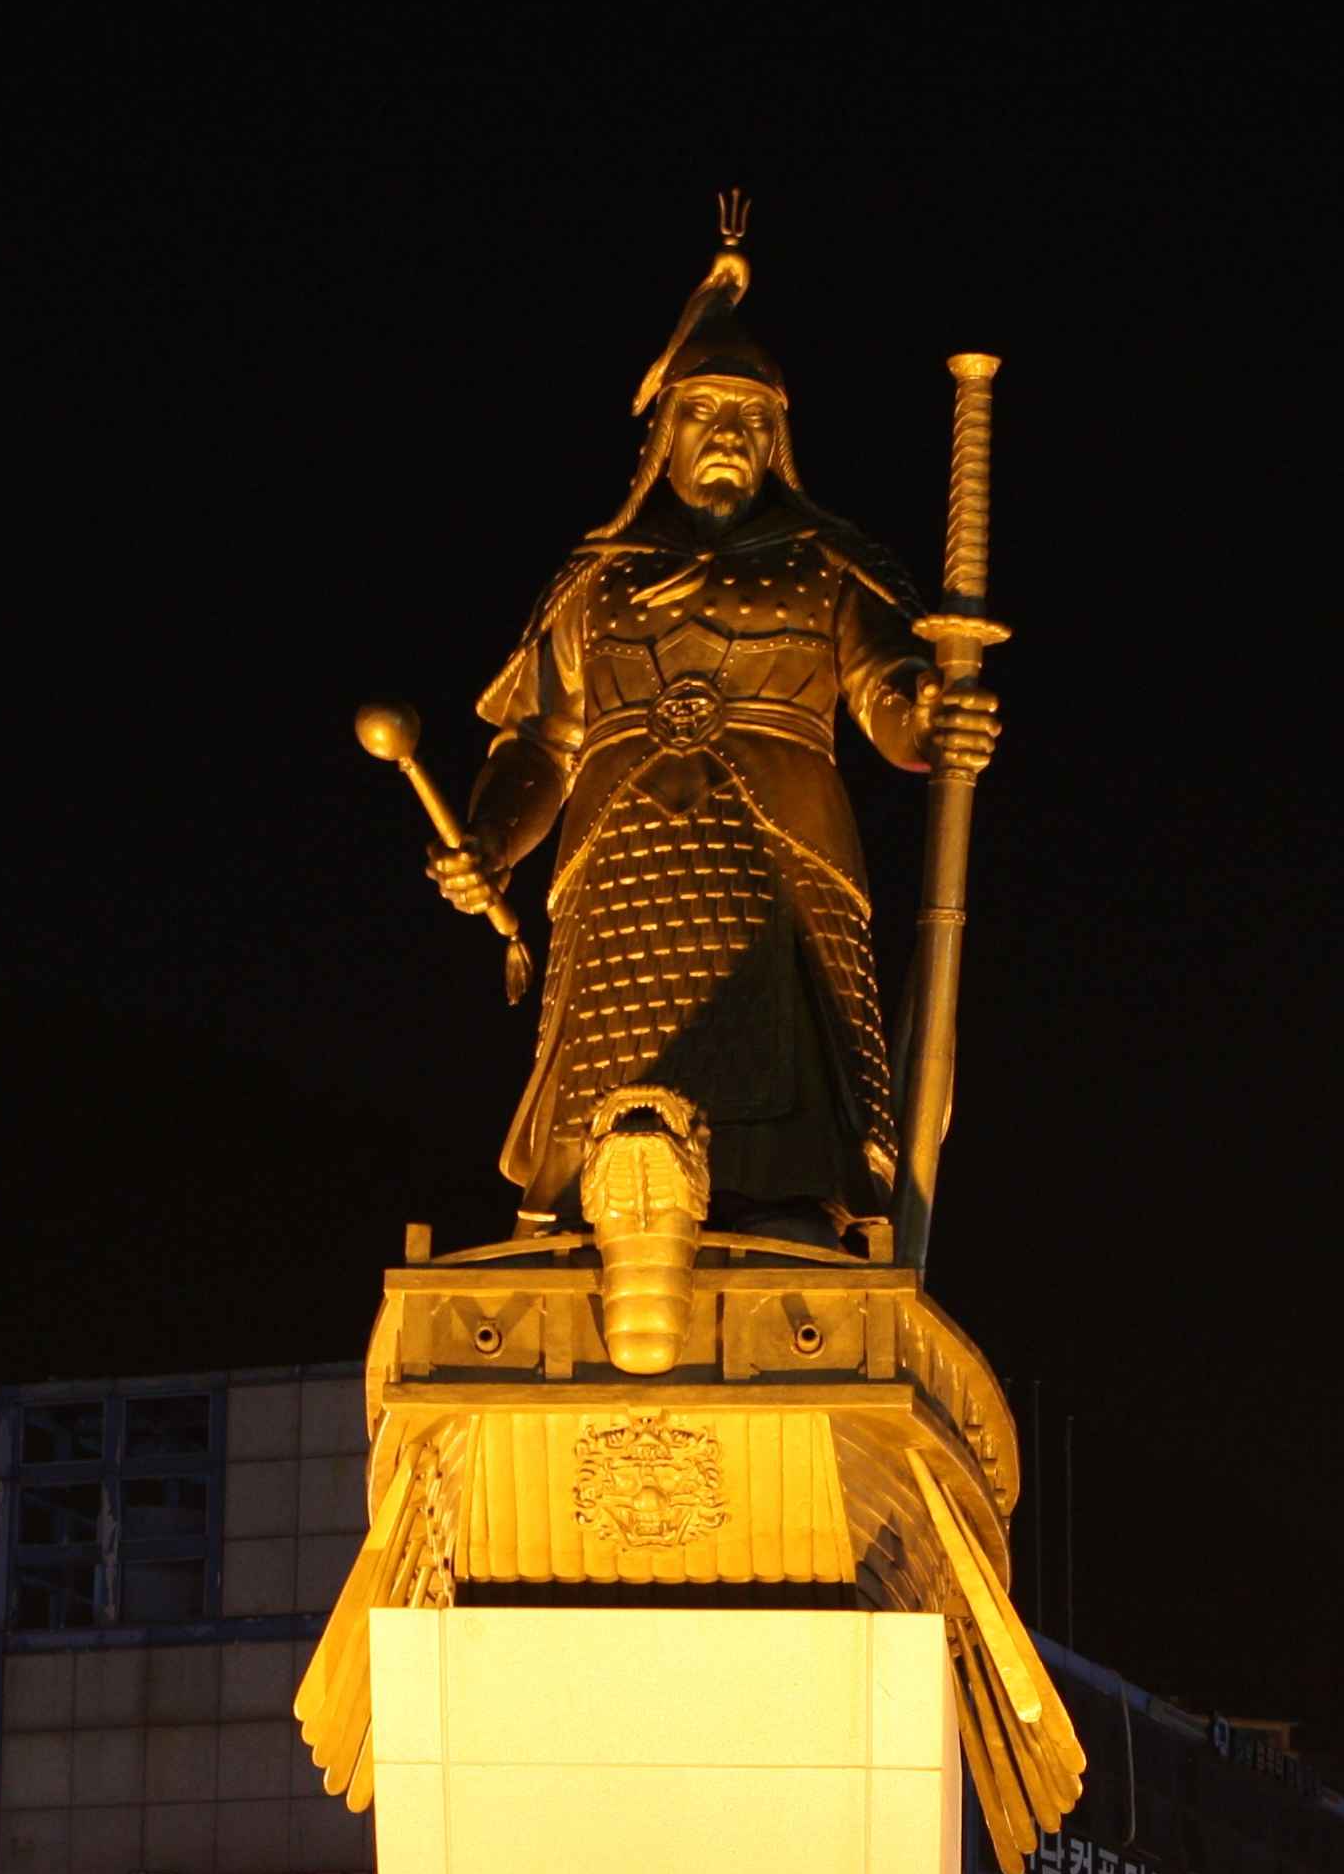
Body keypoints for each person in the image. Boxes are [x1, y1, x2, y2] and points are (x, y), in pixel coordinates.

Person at [425, 210, 999, 1243]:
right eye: (703, 410)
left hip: (778, 855)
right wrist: (491, 843)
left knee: (782, 1075)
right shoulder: (598, 577)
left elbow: (887, 687)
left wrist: (930, 716)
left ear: (778, 439)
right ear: (664, 432)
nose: (727, 431)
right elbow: (543, 740)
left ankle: (788, 1213)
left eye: (748, 414)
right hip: (622, 864)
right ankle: (587, 1214)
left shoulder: (827, 561)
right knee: (613, 1069)